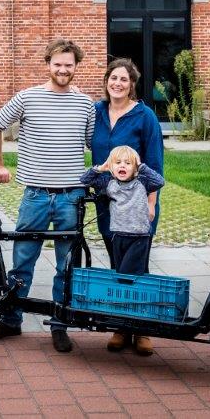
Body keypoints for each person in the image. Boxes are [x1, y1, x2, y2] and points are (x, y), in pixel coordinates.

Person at [0, 38, 96, 353]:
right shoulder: (27, 98)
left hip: (70, 196)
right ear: (48, 64)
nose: (63, 69)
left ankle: (59, 324)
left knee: (67, 265)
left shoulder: (85, 104)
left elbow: (93, 144)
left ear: (76, 66)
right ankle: (11, 319)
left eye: (69, 65)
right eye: (58, 64)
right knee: (22, 261)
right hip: (35, 194)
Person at [89, 57, 166, 353]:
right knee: (116, 262)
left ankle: (142, 329)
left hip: (137, 205)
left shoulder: (144, 117)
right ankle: (121, 327)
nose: (117, 83)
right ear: (107, 81)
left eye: (123, 79)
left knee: (138, 265)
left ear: (132, 84)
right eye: (113, 78)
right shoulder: (96, 112)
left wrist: (151, 204)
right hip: (108, 203)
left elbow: (155, 165)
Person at [80, 145, 165, 356]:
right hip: (118, 237)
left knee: (129, 279)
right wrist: (101, 167)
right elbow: (85, 180)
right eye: (118, 163)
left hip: (139, 237)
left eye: (127, 163)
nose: (122, 167)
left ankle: (139, 330)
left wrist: (140, 166)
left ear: (134, 167)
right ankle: (123, 328)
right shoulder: (109, 184)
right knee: (121, 278)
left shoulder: (142, 182)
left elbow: (159, 181)